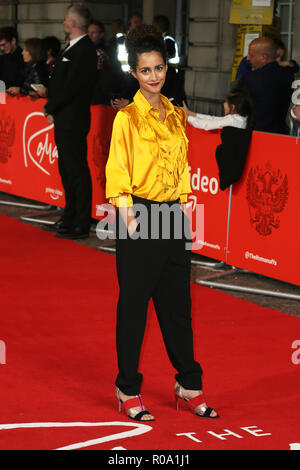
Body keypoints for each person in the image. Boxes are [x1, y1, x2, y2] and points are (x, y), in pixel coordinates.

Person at [105, 25, 218, 422]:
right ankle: (126, 388)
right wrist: (130, 218)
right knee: (134, 308)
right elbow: (116, 172)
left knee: (177, 308)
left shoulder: (174, 113)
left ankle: (189, 384)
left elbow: (183, 166)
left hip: (173, 217)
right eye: (146, 70)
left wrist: (185, 209)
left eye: (159, 68)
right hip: (139, 216)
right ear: (134, 73)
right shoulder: (127, 119)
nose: (154, 77)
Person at [43, 3, 98, 239]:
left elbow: (73, 86)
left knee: (76, 169)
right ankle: (69, 216)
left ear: (73, 23)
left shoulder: (85, 50)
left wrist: (50, 106)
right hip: (64, 117)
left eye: (66, 18)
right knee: (66, 168)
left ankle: (80, 221)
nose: (64, 22)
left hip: (73, 118)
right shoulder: (72, 47)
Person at [184, 89, 253, 190]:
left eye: (226, 102)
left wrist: (186, 117)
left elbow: (208, 124)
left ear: (232, 107)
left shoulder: (234, 120)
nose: (224, 104)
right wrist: (191, 114)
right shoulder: (241, 119)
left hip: (229, 167)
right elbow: (215, 119)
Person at [239, 37, 293, 134]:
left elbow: (238, 106)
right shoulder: (288, 75)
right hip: (281, 134)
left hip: (255, 135)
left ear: (264, 57)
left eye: (251, 55)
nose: (248, 58)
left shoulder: (250, 78)